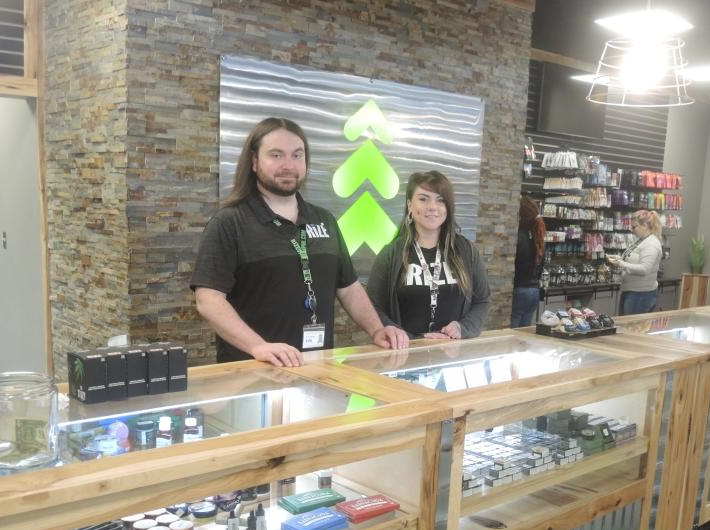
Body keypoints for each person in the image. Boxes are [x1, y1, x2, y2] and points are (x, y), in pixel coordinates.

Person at [190, 117, 409, 367]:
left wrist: (377, 329)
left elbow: (348, 288)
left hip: (317, 369)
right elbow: (208, 300)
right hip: (254, 371)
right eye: (276, 155)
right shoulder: (229, 223)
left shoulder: (324, 220)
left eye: (297, 155)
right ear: (253, 161)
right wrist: (258, 346)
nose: (288, 165)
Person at [367, 171, 490, 339]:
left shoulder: (466, 251)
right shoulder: (391, 254)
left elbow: (482, 300)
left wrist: (463, 328)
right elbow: (372, 306)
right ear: (410, 205)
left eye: (440, 200)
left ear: (448, 207)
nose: (432, 207)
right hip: (406, 353)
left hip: (454, 353)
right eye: (423, 199)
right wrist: (401, 335)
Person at [608, 209, 663, 315]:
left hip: (641, 295)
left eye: (634, 227)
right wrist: (619, 259)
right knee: (625, 326)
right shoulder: (641, 240)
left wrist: (621, 264)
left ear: (645, 226)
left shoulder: (651, 244)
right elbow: (632, 260)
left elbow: (644, 269)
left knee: (631, 327)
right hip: (632, 291)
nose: (632, 230)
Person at [510, 195, 546, 327]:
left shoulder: (518, 236)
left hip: (519, 290)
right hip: (534, 291)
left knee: (511, 335)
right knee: (523, 335)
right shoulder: (538, 238)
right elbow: (541, 268)